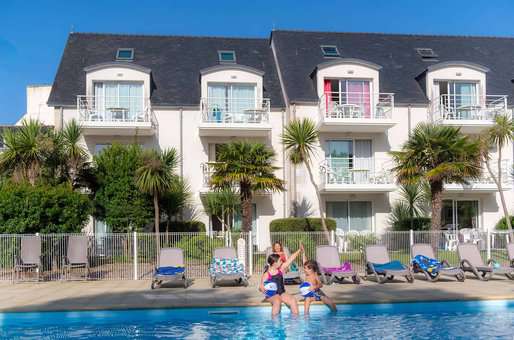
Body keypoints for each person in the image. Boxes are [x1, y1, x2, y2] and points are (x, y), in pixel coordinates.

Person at [260, 243, 304, 317]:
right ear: (274, 263)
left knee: (292, 300)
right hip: (272, 295)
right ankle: (275, 323)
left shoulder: (280, 269)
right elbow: (261, 286)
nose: (282, 262)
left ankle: (295, 322)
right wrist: (261, 288)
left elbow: (290, 259)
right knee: (277, 301)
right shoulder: (267, 274)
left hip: (281, 293)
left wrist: (299, 250)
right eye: (280, 261)